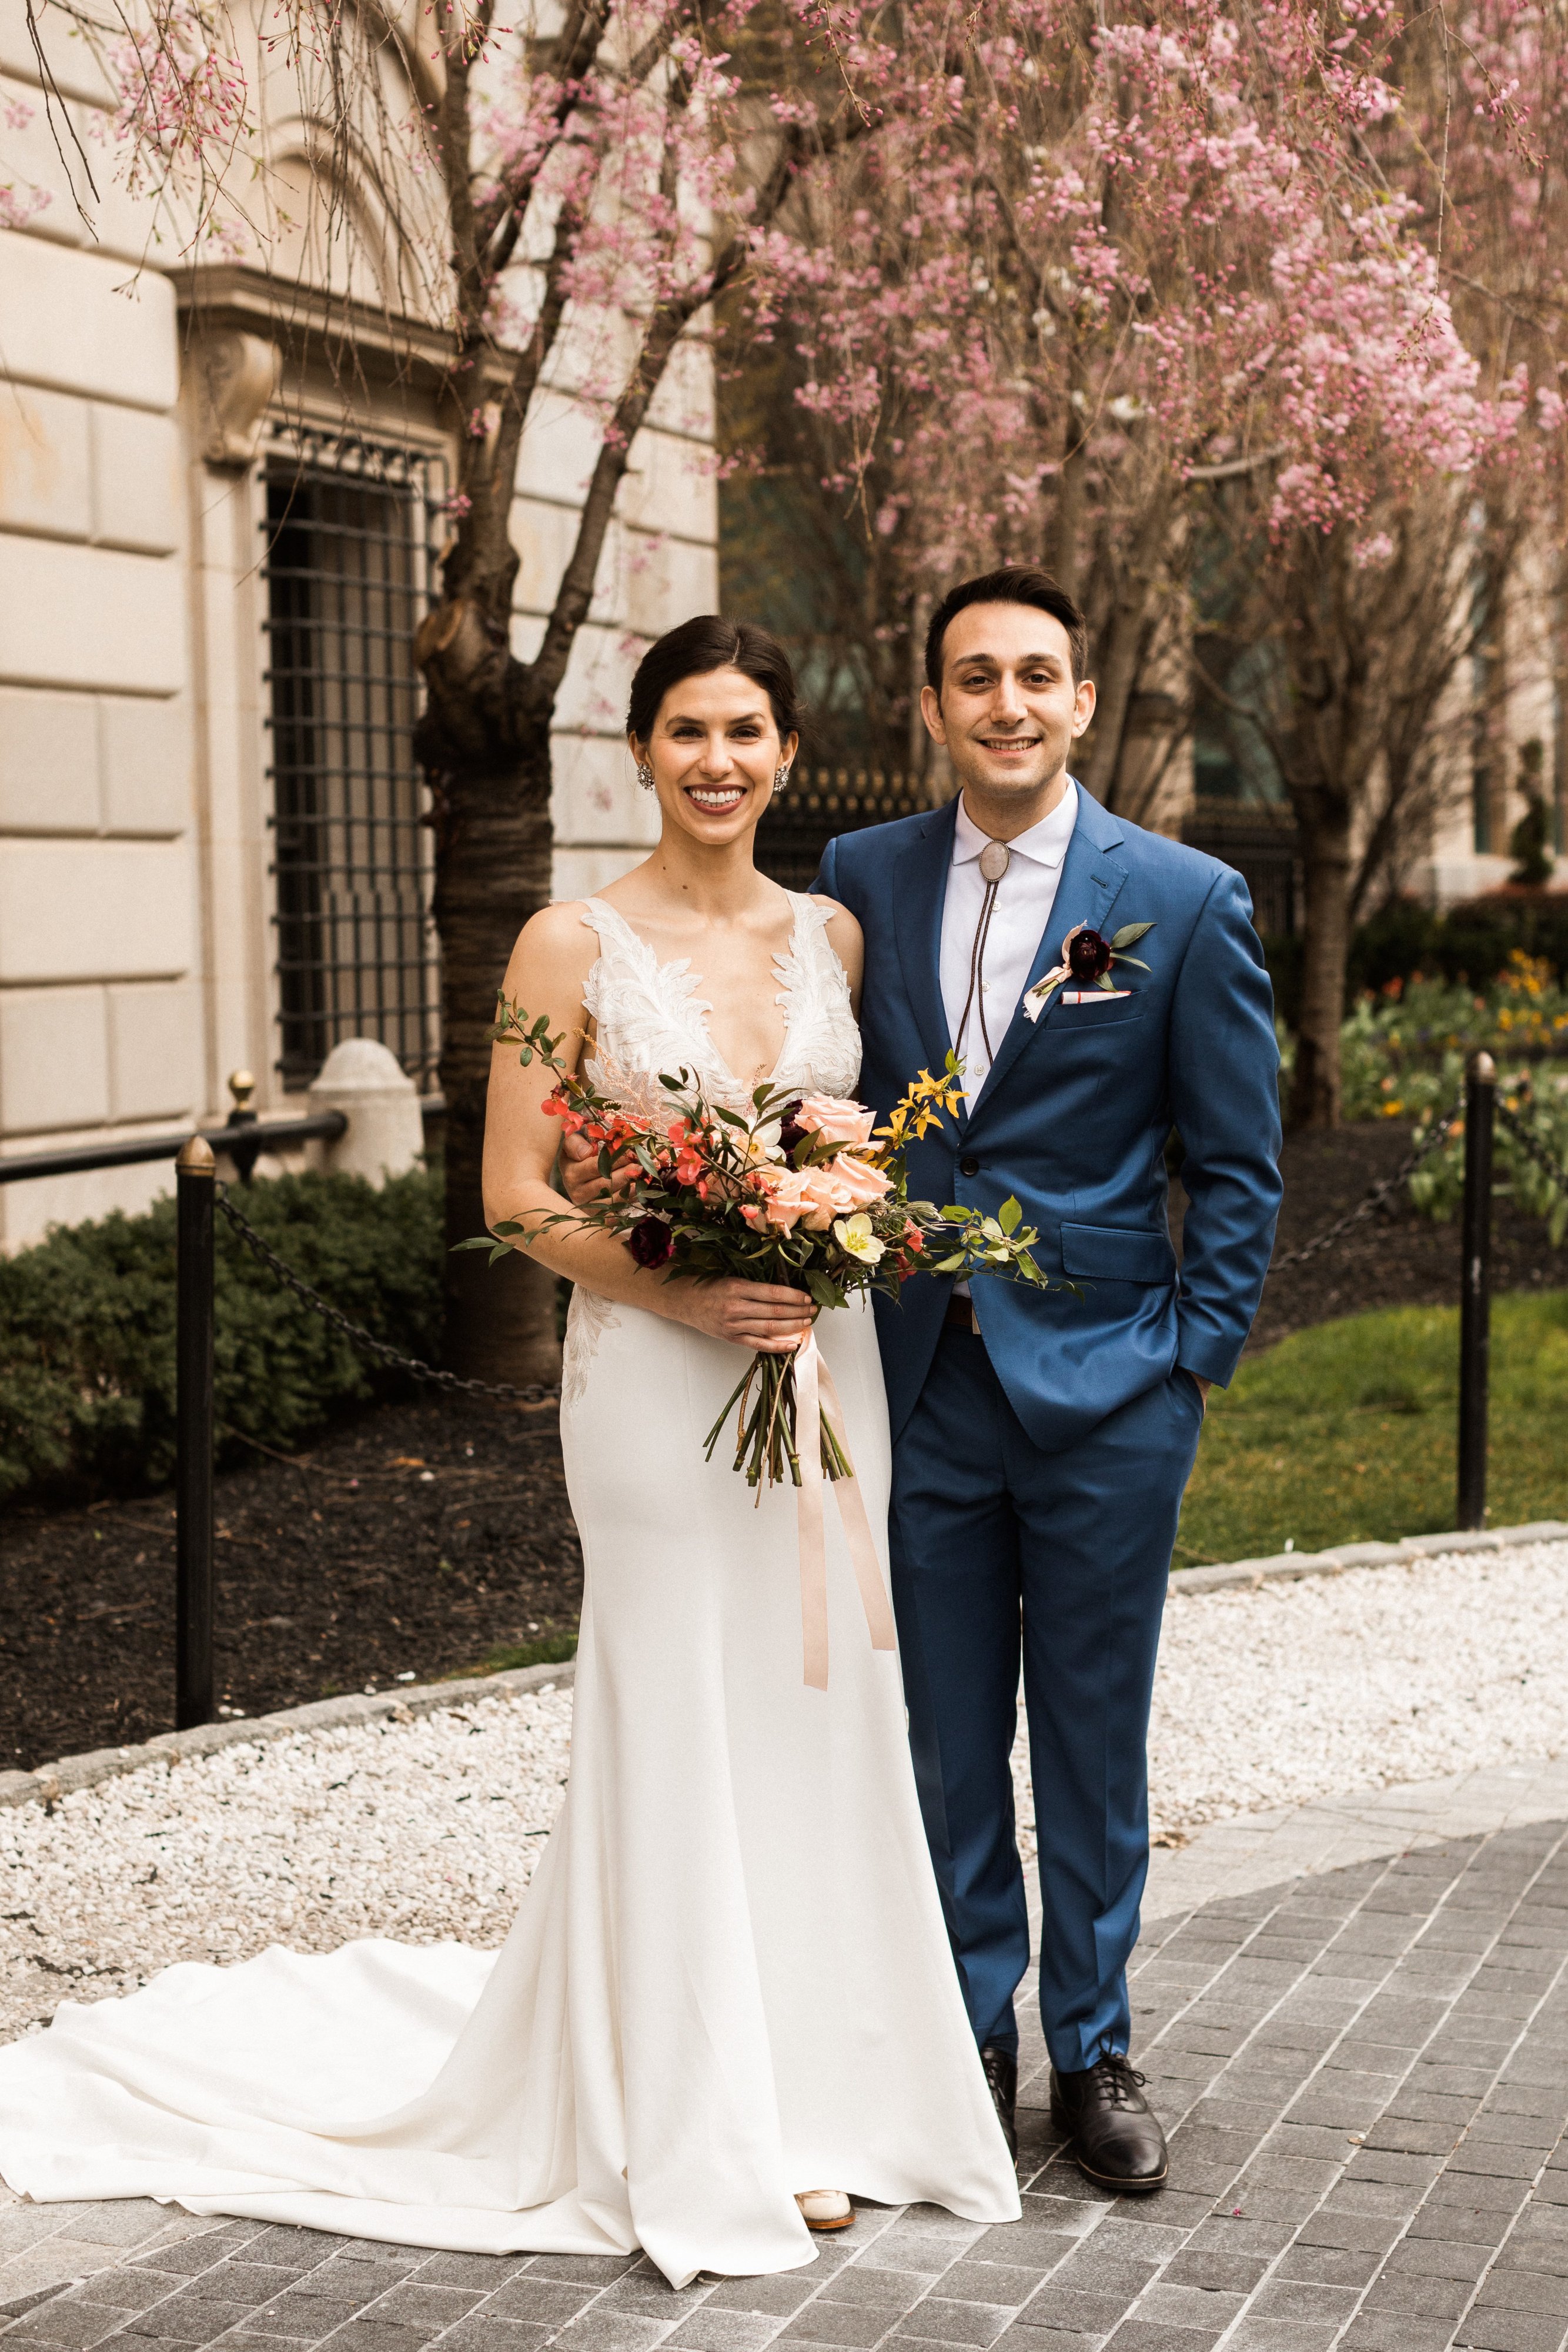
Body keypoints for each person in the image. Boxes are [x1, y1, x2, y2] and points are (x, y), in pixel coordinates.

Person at [0, 617, 1020, 2290]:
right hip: (650, 1379)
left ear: (782, 751)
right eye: (687, 729)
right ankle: (697, 2118)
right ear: (638, 749)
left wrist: (840, 1226)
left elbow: (867, 1138)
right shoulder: (566, 945)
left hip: (822, 1376)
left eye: (745, 730)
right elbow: (514, 1197)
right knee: (682, 1701)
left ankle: (823, 2093)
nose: (718, 760)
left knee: (816, 1708)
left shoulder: (831, 932)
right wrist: (690, 1278)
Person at [808, 569, 1282, 2189]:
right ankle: (963, 2040)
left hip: (1107, 1392)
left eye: (1034, 676)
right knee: (942, 1741)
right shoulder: (855, 877)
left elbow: (1235, 1166)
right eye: (972, 678)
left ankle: (1091, 2052)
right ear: (929, 706)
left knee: (1089, 1735)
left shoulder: (1180, 895)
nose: (1004, 703)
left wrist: (1186, 1365)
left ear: (1082, 701)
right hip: (919, 1377)